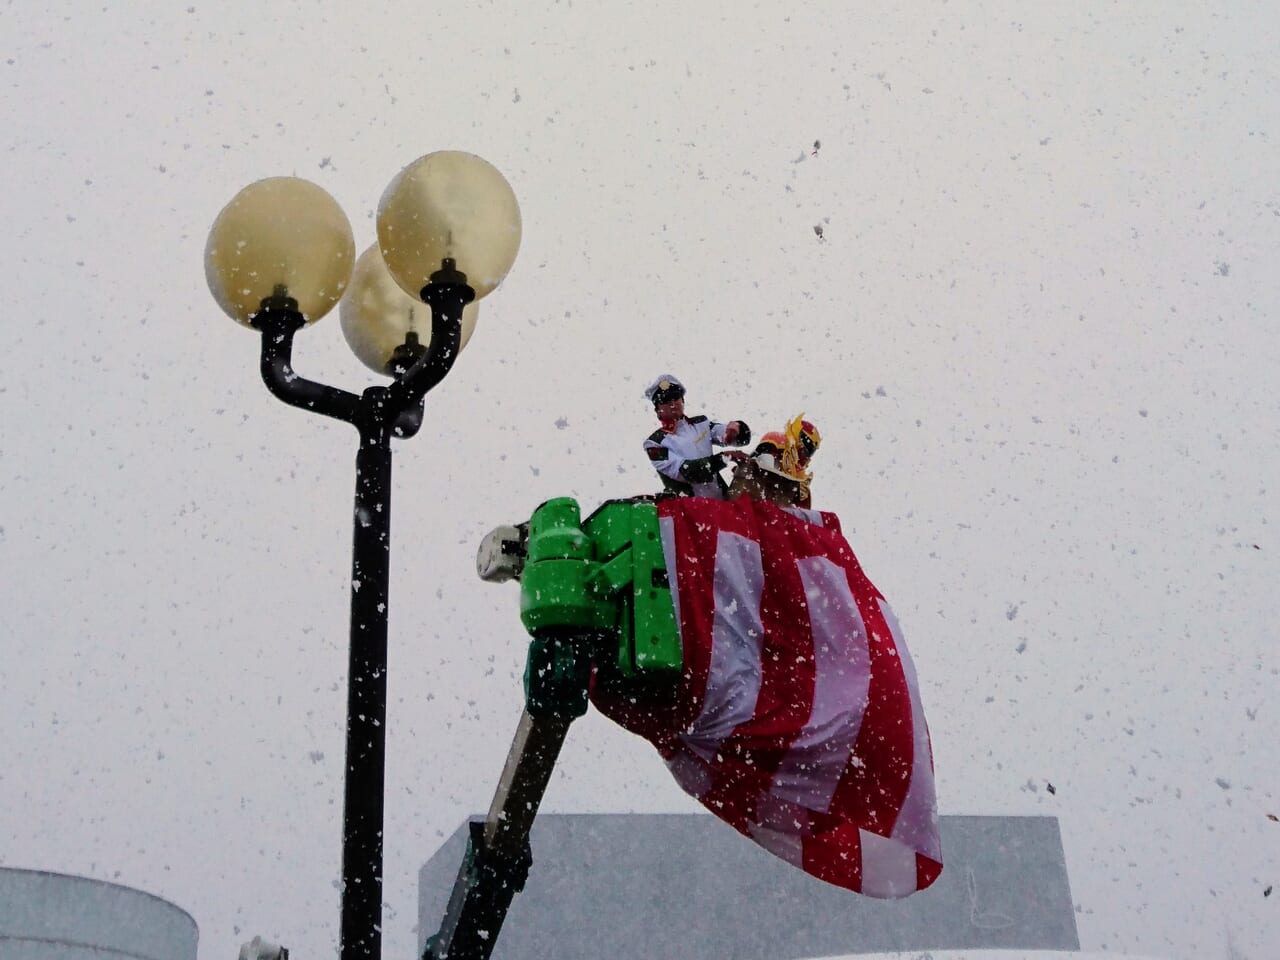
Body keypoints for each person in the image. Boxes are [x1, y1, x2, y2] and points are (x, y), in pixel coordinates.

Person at [642, 374, 751, 499]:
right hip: (689, 512)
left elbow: (737, 437)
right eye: (665, 400)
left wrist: (736, 430)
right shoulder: (654, 443)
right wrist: (725, 457)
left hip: (723, 505)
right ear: (657, 410)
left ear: (683, 401)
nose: (672, 403)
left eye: (676, 397)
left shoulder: (702, 423)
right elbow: (688, 472)